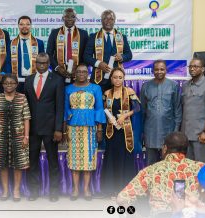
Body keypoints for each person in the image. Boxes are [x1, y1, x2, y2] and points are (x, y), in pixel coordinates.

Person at [116, 132, 205, 218]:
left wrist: (136, 217)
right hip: (192, 216)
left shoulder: (151, 170)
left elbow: (122, 198)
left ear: (165, 148)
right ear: (186, 149)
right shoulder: (202, 168)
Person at [24, 53, 64, 202]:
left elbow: (60, 106)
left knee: (53, 161)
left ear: (49, 63)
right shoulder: (28, 80)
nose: (41, 66)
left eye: (45, 63)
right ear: (35, 63)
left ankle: (54, 191)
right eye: (39, 63)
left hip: (51, 128)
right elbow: (25, 106)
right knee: (32, 161)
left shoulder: (57, 80)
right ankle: (33, 191)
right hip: (32, 129)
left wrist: (58, 129)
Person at [63, 64, 106, 201]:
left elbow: (99, 109)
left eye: (84, 71)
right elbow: (65, 110)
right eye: (78, 71)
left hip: (90, 128)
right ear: (74, 73)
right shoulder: (68, 89)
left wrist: (99, 129)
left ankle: (86, 189)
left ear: (88, 73)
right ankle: (75, 189)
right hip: (73, 128)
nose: (81, 74)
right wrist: (64, 131)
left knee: (88, 159)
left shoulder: (95, 88)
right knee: (74, 158)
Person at [101, 67, 141, 196]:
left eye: (120, 77)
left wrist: (125, 115)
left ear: (123, 78)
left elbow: (138, 107)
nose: (117, 80)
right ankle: (111, 190)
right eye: (115, 77)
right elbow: (103, 110)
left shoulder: (129, 91)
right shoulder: (107, 93)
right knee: (112, 158)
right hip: (112, 131)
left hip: (125, 132)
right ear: (111, 79)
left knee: (125, 158)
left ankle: (125, 190)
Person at [0, 74, 31, 202]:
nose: (9, 85)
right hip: (1, 136)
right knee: (2, 164)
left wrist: (26, 137)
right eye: (6, 83)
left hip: (19, 136)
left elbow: (26, 118)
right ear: (2, 84)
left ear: (16, 84)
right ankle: (5, 190)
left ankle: (16, 191)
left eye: (12, 83)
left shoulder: (22, 98)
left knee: (18, 164)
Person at [140, 60, 182, 165]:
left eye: (162, 69)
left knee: (168, 163)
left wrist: (175, 131)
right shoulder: (146, 86)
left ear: (166, 70)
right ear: (152, 71)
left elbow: (177, 110)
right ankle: (152, 181)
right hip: (150, 131)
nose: (159, 71)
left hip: (168, 131)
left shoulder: (173, 86)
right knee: (151, 164)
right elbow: (142, 111)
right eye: (156, 69)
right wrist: (142, 133)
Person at [84, 10, 132, 92]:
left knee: (115, 104)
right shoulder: (93, 37)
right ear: (101, 20)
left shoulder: (121, 37)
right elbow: (86, 57)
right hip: (98, 79)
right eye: (105, 19)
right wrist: (99, 64)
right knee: (98, 104)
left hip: (116, 79)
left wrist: (122, 57)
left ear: (114, 21)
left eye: (111, 19)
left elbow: (129, 55)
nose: (108, 21)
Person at [181, 58, 205, 163]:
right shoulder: (185, 86)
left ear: (202, 69)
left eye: (195, 67)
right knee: (187, 166)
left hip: (200, 135)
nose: (192, 69)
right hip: (186, 135)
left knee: (200, 165)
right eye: (190, 67)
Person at [47, 8, 88, 83]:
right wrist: (57, 68)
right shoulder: (54, 33)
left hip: (77, 73)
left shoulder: (83, 34)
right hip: (58, 73)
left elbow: (86, 54)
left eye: (72, 17)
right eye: (67, 16)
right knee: (59, 94)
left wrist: (79, 69)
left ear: (76, 18)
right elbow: (49, 53)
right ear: (63, 18)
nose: (69, 19)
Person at [8, 15, 44, 92]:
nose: (25, 26)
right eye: (21, 24)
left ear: (31, 26)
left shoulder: (39, 43)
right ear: (18, 26)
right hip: (16, 80)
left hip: (34, 79)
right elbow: (8, 62)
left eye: (27, 24)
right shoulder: (11, 43)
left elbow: (43, 62)